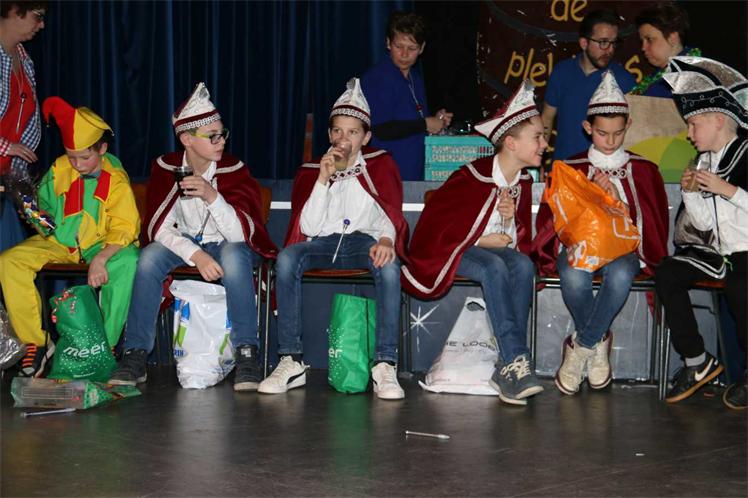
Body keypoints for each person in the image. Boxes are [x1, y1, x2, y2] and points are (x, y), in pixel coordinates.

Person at [108, 83, 277, 391]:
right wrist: (196, 255)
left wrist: (213, 196)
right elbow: (160, 229)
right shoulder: (167, 168)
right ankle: (135, 353)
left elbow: (240, 234)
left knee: (234, 257)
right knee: (149, 257)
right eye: (212, 136)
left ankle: (246, 353)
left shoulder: (233, 170)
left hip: (225, 243)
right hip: (188, 243)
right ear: (186, 139)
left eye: (222, 134)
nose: (220, 141)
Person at [258, 78, 409, 399]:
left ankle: (385, 362)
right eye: (337, 131)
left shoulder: (379, 165)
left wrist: (386, 239)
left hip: (363, 243)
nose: (343, 139)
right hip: (324, 243)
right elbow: (308, 226)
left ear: (365, 137)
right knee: (287, 258)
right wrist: (322, 180)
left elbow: (390, 213)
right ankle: (291, 359)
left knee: (389, 267)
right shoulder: (313, 169)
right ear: (329, 135)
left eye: (352, 132)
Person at [402, 80, 545, 405]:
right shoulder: (470, 176)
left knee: (523, 266)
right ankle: (515, 359)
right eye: (537, 137)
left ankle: (509, 363)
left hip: (490, 251)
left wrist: (508, 221)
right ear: (511, 143)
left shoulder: (522, 181)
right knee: (493, 266)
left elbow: (517, 242)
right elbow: (439, 228)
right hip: (453, 252)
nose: (544, 143)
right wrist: (482, 238)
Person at [533, 71, 669, 395]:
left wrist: (616, 200)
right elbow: (553, 219)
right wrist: (589, 196)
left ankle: (581, 346)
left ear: (628, 125)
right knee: (573, 275)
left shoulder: (644, 169)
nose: (610, 141)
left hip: (623, 250)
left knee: (620, 275)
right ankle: (598, 344)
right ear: (587, 128)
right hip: (580, 246)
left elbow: (651, 225)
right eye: (602, 133)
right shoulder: (571, 167)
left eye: (618, 133)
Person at [0, 97, 139, 377]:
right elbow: (45, 210)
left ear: (102, 148)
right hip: (60, 242)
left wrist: (101, 258)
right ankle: (36, 342)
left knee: (127, 262)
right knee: (10, 261)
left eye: (85, 158)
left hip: (100, 244)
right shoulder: (60, 169)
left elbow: (125, 227)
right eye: (71, 156)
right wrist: (33, 212)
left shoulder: (116, 180)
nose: (77, 164)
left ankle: (105, 344)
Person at [654, 57, 747, 408]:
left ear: (718, 120)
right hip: (717, 252)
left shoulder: (747, 154)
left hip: (746, 252)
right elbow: (705, 225)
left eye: (694, 125)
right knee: (668, 273)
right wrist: (690, 193)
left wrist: (727, 190)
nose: (689, 134)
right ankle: (697, 360)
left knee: (740, 287)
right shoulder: (704, 160)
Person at [361, 10, 453, 181]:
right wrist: (425, 123)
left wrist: (435, 120)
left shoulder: (415, 77)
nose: (404, 54)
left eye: (412, 48)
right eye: (399, 46)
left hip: (413, 171)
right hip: (387, 174)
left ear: (422, 48)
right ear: (388, 43)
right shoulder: (377, 77)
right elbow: (379, 129)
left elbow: (413, 121)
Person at [541, 9, 635, 164]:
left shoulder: (624, 80)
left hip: (605, 171)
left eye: (614, 43)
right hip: (564, 168)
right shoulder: (561, 72)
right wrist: (538, 159)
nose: (610, 49)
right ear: (584, 43)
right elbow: (546, 118)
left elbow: (633, 131)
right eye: (603, 42)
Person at [0, 1, 46, 252]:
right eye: (37, 16)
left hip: (5, 183)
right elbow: (13, 146)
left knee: (11, 260)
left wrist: (29, 204)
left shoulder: (25, 61)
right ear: (12, 10)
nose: (42, 24)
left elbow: (22, 145)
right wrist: (7, 147)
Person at [632, 2, 700, 97]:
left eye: (649, 39)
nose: (643, 48)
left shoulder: (690, 75)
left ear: (672, 38)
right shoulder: (658, 75)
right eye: (642, 41)